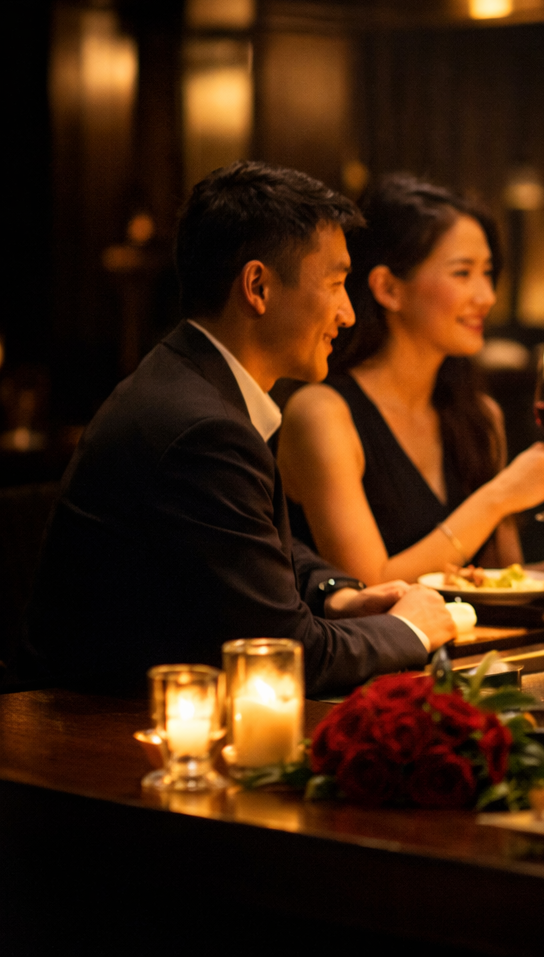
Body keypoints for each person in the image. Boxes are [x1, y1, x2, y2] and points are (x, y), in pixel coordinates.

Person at [29, 161, 455, 696]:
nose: (348, 314)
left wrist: (336, 593)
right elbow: (286, 655)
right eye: (337, 283)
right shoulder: (201, 428)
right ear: (257, 286)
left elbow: (246, 543)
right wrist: (411, 628)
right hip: (88, 735)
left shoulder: (189, 381)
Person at [275, 174, 544, 586]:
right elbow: (370, 587)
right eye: (463, 273)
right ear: (388, 288)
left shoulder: (478, 413)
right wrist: (500, 495)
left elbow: (500, 581)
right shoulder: (322, 414)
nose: (486, 296)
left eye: (487, 273)